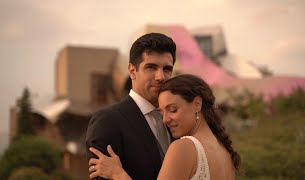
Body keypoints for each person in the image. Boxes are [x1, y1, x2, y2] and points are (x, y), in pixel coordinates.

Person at [88, 74, 241, 180]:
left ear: (196, 104)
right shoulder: (225, 152)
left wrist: (118, 174)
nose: (165, 120)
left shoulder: (184, 147)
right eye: (162, 112)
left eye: (173, 109)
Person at [86, 32, 177, 180]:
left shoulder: (177, 122)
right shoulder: (108, 121)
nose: (160, 77)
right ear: (132, 71)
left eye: (167, 69)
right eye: (151, 67)